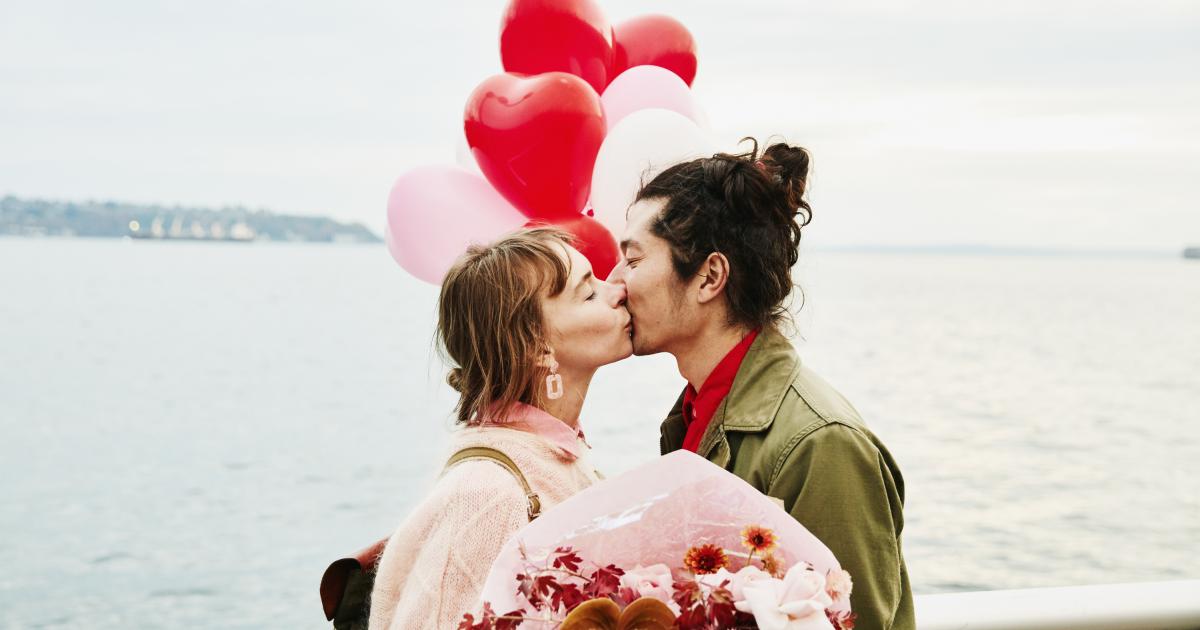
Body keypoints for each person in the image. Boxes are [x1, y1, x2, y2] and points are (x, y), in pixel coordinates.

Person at [608, 140, 915, 629]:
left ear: (709, 276)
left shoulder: (820, 444)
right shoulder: (690, 417)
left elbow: (857, 621)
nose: (615, 281)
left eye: (634, 259)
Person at [368, 228, 632, 630]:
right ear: (538, 346)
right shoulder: (488, 496)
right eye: (589, 293)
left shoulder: (557, 455)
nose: (617, 289)